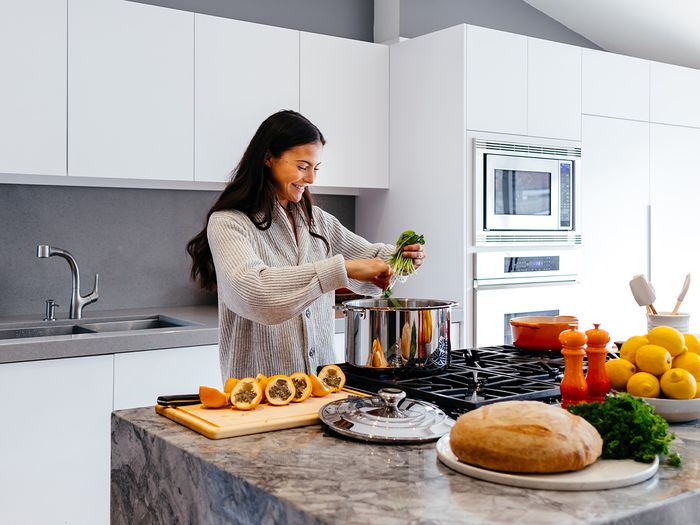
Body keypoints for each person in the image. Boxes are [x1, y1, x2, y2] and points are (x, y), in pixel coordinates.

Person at [187, 110, 425, 380]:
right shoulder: (229, 223)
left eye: (316, 168)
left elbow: (370, 259)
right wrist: (341, 270)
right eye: (302, 166)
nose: (311, 179)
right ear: (268, 158)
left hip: (323, 387)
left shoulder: (317, 221)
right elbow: (255, 292)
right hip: (258, 394)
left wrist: (401, 259)